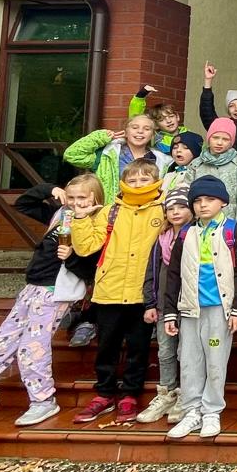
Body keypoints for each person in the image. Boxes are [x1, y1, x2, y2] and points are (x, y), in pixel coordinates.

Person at [0, 173, 103, 427]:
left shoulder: (96, 221)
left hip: (55, 291)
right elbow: (23, 204)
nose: (74, 202)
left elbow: (91, 268)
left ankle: (43, 401)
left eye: (81, 197)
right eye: (71, 197)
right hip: (32, 288)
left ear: (95, 196)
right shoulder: (60, 214)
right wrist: (50, 189)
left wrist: (70, 257)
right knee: (0, 344)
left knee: (32, 348)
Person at [69, 159, 165, 425]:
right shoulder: (110, 211)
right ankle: (104, 392)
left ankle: (130, 394)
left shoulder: (165, 209)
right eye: (132, 180)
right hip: (110, 289)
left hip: (142, 293)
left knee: (138, 347)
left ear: (155, 180)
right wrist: (81, 218)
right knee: (107, 346)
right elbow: (86, 247)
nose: (137, 184)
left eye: (144, 179)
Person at [163, 175, 237, 440]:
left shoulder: (233, 231)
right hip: (190, 309)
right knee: (190, 360)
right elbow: (173, 274)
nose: (203, 205)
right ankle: (192, 410)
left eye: (210, 200)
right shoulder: (185, 232)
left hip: (219, 310)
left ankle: (212, 410)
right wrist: (170, 310)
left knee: (215, 360)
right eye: (198, 201)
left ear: (223, 202)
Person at [137, 186, 194, 424]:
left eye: (181, 207)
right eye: (170, 208)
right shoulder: (161, 240)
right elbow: (152, 272)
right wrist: (150, 303)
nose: (175, 212)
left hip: (187, 306)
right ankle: (166, 393)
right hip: (162, 305)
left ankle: (186, 395)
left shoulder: (194, 236)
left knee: (186, 352)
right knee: (165, 351)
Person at [62, 113, 170, 205]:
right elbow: (72, 155)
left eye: (146, 129)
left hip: (144, 216)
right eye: (135, 127)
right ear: (126, 132)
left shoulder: (161, 160)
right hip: (109, 214)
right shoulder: (106, 154)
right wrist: (99, 137)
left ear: (152, 135)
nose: (140, 131)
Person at [185, 117, 237, 230]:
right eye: (215, 137)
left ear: (231, 142)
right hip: (200, 224)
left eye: (225, 139)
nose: (219, 142)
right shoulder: (196, 164)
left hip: (228, 224)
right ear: (209, 138)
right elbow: (187, 194)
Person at [130, 83, 194, 155]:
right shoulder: (155, 138)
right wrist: (141, 95)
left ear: (177, 117)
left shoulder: (191, 135)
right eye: (162, 119)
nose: (168, 121)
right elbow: (135, 119)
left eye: (171, 116)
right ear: (156, 125)